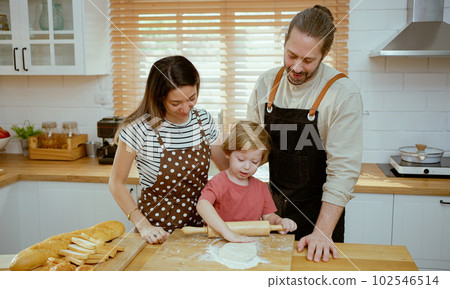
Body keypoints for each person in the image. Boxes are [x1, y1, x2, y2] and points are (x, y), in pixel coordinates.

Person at [246, 5, 363, 262]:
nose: (296, 67)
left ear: (325, 53)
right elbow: (252, 150)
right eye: (291, 55)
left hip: (319, 215)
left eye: (308, 60)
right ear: (284, 43)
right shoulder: (266, 83)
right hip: (271, 211)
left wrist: (322, 232)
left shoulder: (342, 94)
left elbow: (343, 170)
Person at [109, 55, 228, 244]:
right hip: (156, 232)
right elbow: (116, 183)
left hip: (201, 227)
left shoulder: (204, 120)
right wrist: (144, 226)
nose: (186, 108)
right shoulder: (138, 129)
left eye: (192, 98)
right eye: (176, 103)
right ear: (159, 97)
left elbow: (226, 170)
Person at [196, 120, 297, 243]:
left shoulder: (261, 188)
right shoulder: (218, 182)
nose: (247, 167)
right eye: (241, 159)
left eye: (254, 162)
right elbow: (202, 205)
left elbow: (268, 217)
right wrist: (227, 232)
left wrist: (280, 222)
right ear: (228, 152)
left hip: (249, 242)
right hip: (218, 241)